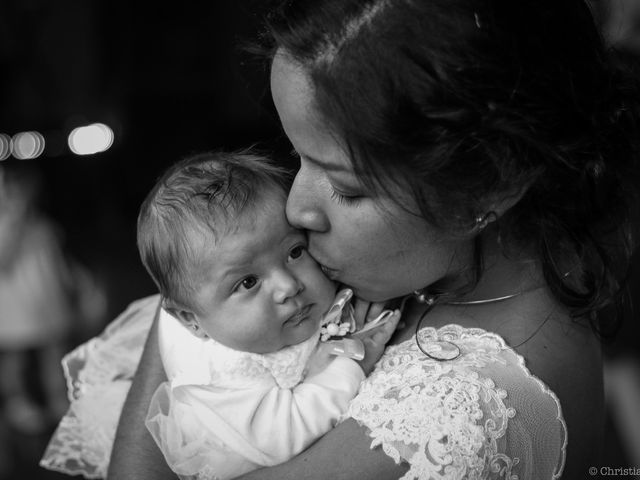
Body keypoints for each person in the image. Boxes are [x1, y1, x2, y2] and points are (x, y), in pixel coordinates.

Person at [108, 0, 640, 478]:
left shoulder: (464, 416)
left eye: (345, 187)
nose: (295, 209)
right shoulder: (431, 262)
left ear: (489, 183)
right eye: (297, 157)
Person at [40, 151, 400, 479]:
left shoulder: (260, 317)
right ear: (190, 321)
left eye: (294, 251)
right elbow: (284, 433)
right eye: (247, 282)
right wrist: (348, 366)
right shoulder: (219, 374)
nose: (287, 286)